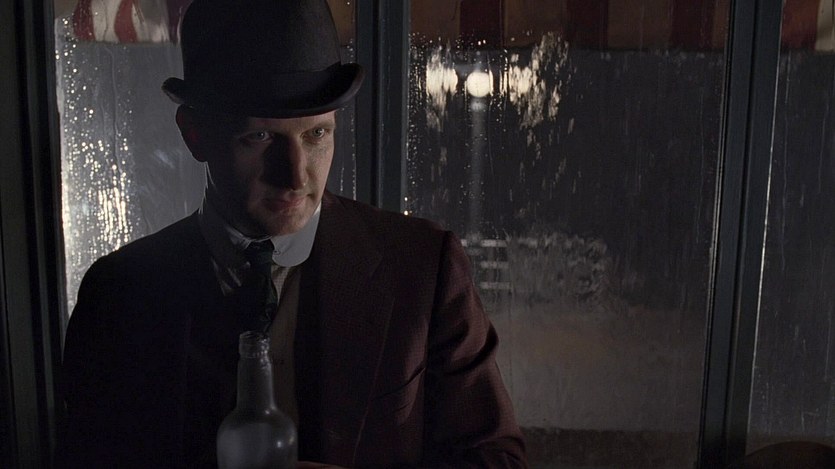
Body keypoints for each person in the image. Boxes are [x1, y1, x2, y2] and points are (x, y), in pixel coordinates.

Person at [59, 0, 526, 467]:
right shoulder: (120, 294)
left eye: (316, 135)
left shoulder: (422, 268)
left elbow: (496, 459)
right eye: (260, 137)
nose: (296, 175)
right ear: (194, 133)